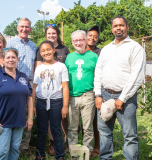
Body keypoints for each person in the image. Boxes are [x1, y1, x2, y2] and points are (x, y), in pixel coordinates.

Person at [94, 16, 146, 160]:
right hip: (105, 95)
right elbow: (98, 72)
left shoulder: (135, 48)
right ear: (112, 29)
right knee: (104, 132)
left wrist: (122, 98)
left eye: (121, 25)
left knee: (129, 135)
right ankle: (105, 158)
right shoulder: (106, 49)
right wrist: (98, 94)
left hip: (126, 98)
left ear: (127, 27)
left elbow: (137, 76)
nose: (118, 28)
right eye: (115, 26)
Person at [0, 48, 34, 160]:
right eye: (8, 57)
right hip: (3, 121)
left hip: (19, 120)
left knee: (15, 149)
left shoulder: (23, 77)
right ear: (3, 60)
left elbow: (29, 98)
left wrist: (30, 117)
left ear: (17, 59)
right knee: (3, 152)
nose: (11, 60)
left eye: (13, 57)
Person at [35, 24, 70, 155]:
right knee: (42, 128)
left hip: (57, 100)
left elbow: (65, 86)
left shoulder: (61, 65)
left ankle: (60, 154)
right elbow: (35, 86)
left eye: (49, 50)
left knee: (56, 127)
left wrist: (65, 106)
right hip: (42, 100)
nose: (46, 53)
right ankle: (39, 154)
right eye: (43, 51)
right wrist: (34, 104)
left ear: (54, 50)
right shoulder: (39, 68)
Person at [65, 30, 98, 159]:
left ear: (85, 41)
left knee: (87, 127)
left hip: (88, 95)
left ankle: (86, 152)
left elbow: (99, 75)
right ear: (72, 42)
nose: (78, 42)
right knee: (72, 127)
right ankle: (74, 152)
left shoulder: (93, 57)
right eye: (75, 41)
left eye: (80, 40)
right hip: (72, 96)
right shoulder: (69, 57)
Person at [6, 17, 37, 155]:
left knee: (27, 113)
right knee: (12, 112)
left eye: (27, 27)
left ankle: (24, 145)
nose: (24, 29)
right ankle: (11, 144)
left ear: (30, 29)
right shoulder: (10, 42)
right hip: (13, 81)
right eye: (22, 27)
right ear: (18, 28)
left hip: (28, 83)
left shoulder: (34, 45)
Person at [86, 25, 101, 157]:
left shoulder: (100, 53)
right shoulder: (79, 50)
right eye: (90, 35)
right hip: (79, 90)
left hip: (95, 90)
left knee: (95, 120)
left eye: (95, 36)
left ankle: (96, 145)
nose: (92, 38)